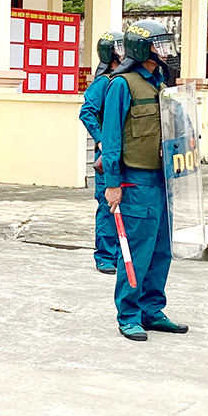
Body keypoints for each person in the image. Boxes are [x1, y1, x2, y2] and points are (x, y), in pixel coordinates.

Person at [99, 19, 189, 342]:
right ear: (141, 49)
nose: (166, 52)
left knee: (161, 249)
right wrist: (112, 184)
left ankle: (152, 308)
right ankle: (129, 314)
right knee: (135, 251)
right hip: (135, 182)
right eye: (158, 45)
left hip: (163, 178)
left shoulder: (160, 85)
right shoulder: (122, 85)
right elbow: (111, 139)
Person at [78, 30, 125, 274]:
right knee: (108, 207)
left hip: (125, 153)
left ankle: (119, 253)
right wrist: (100, 140)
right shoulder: (104, 81)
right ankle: (105, 255)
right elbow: (87, 111)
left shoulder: (125, 79)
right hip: (107, 155)